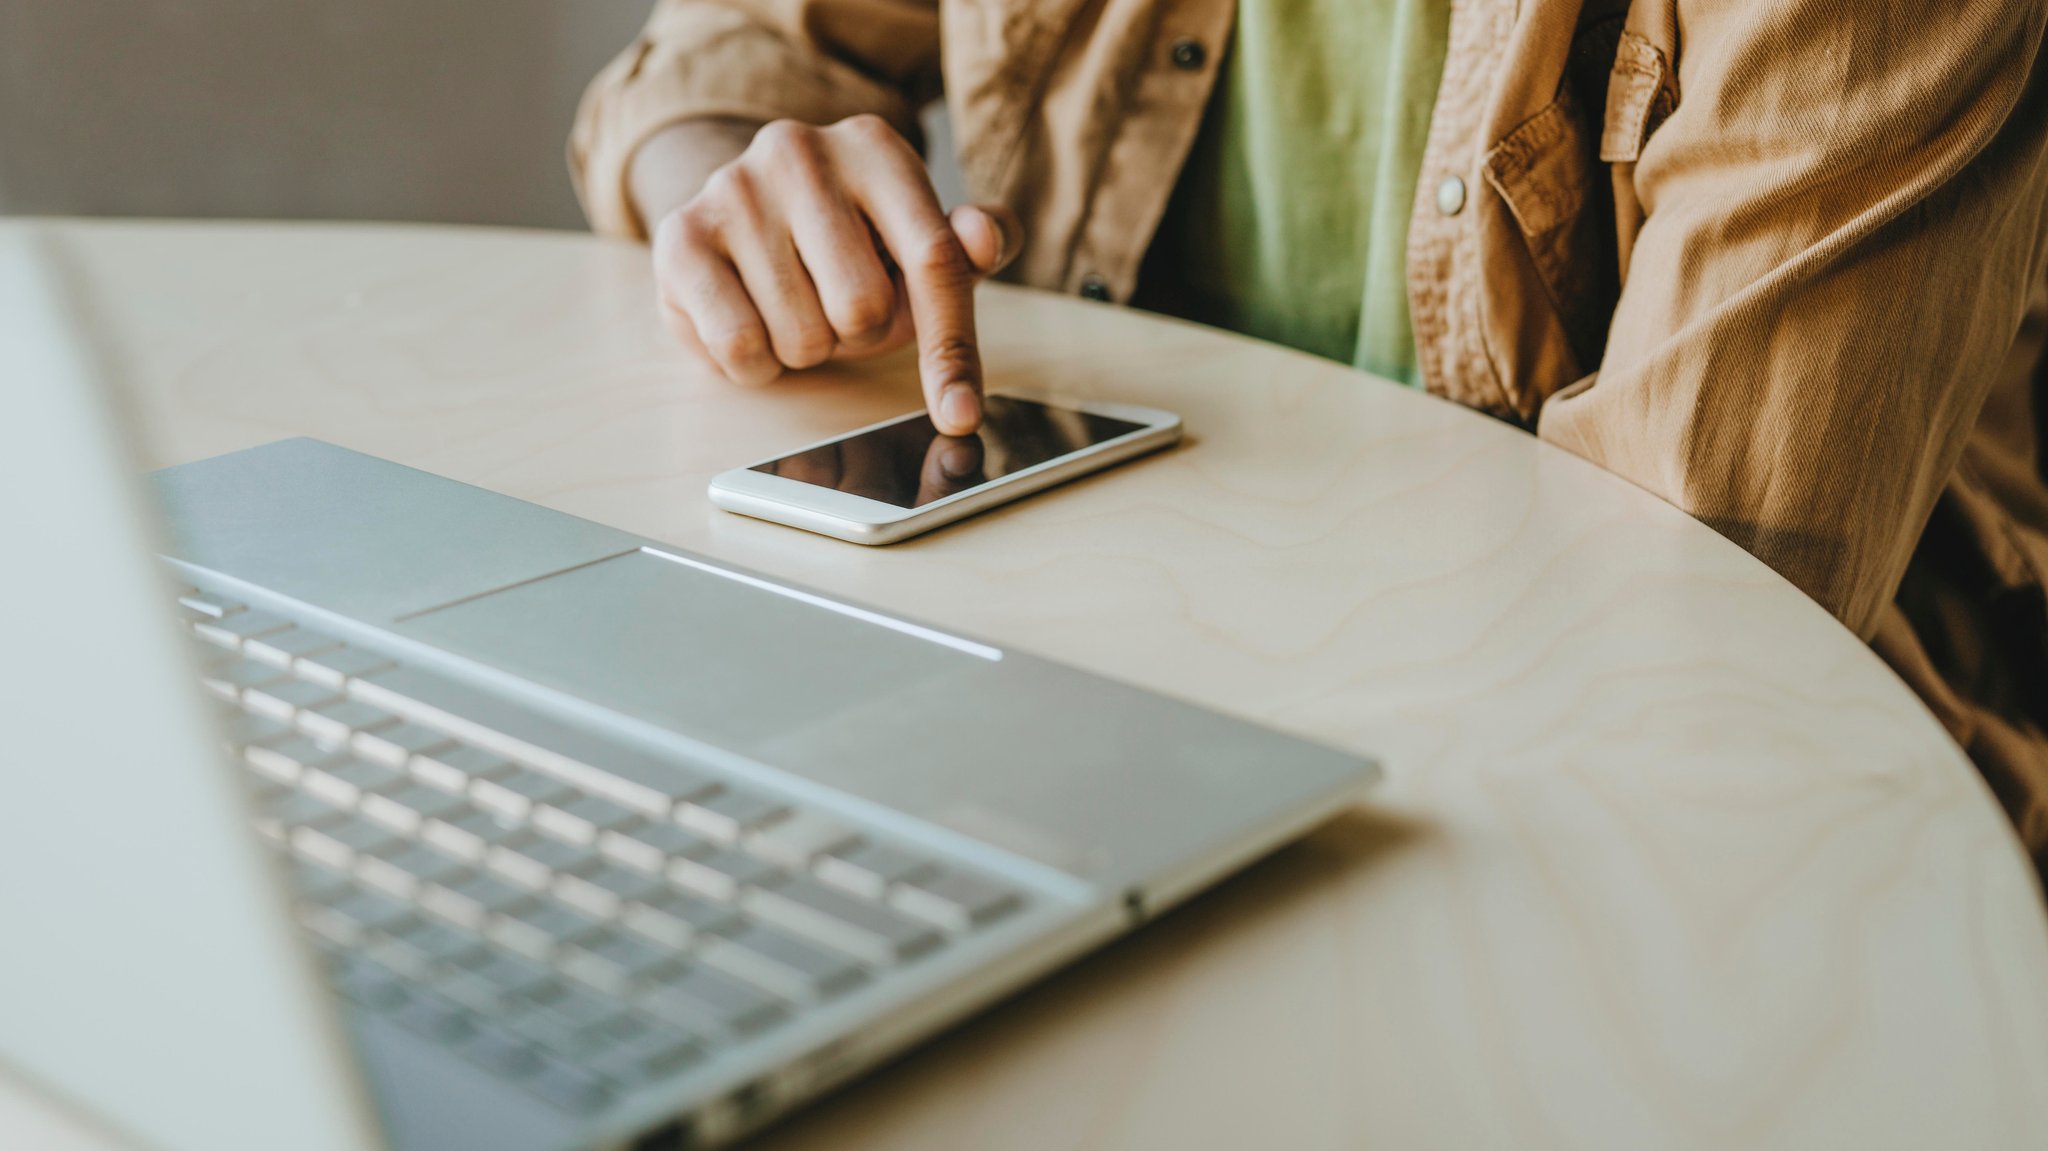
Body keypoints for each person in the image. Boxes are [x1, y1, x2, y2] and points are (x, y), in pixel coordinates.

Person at [571, 0, 2048, 879]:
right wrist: (744, 199)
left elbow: (1670, 634)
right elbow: (724, 54)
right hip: (1114, 711)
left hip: (1737, 844)